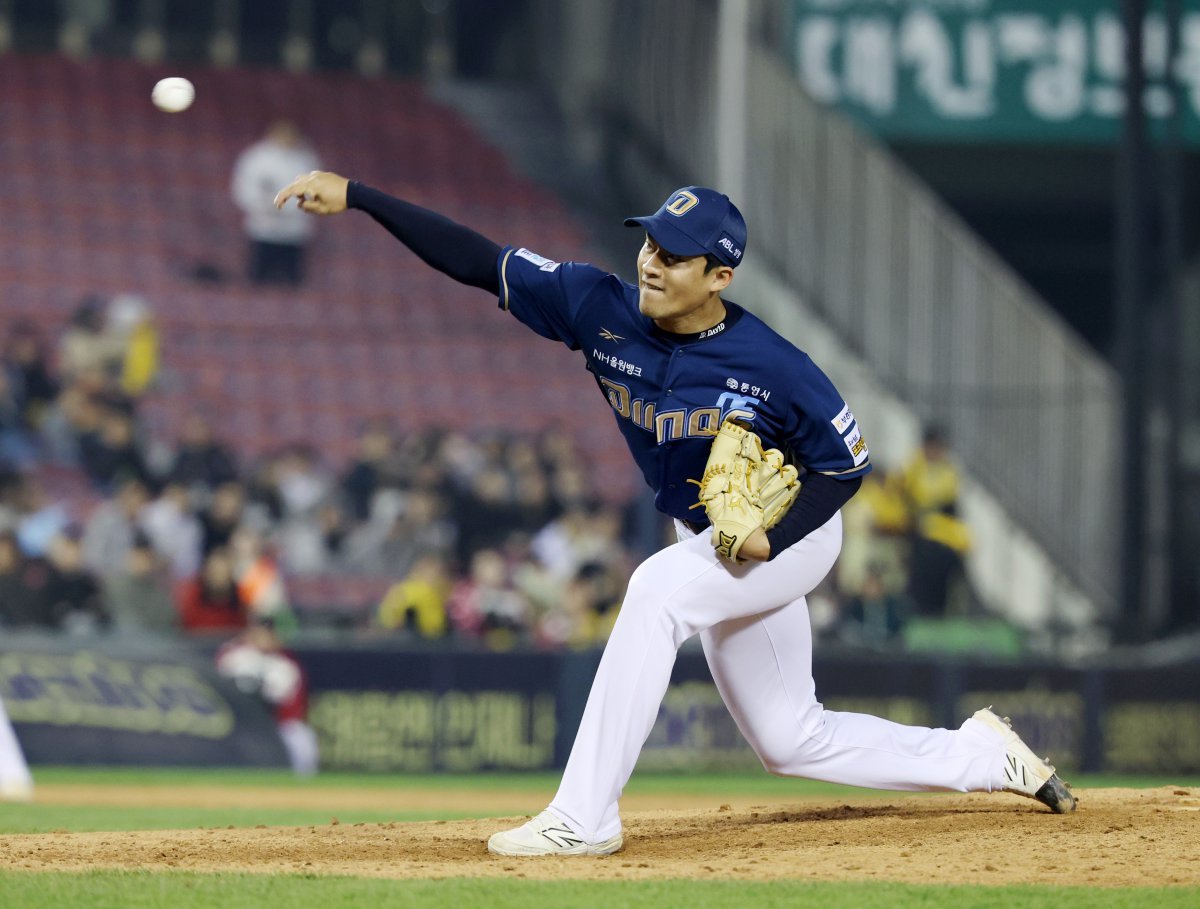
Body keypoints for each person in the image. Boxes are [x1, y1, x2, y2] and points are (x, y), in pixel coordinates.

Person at [274, 172, 1076, 856]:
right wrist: (360, 196)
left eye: (673, 254)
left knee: (657, 590)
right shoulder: (595, 305)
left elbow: (847, 464)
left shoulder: (775, 366)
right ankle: (980, 756)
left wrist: (774, 538)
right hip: (709, 538)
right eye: (649, 243)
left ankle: (583, 817)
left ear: (719, 275)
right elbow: (479, 261)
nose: (651, 262)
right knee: (791, 736)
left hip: (792, 539)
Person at [231, 121, 321, 286]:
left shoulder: (305, 160)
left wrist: (289, 208)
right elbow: (245, 189)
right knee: (259, 280)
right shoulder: (257, 158)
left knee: (292, 281)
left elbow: (314, 193)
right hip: (263, 228)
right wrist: (266, 206)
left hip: (294, 232)